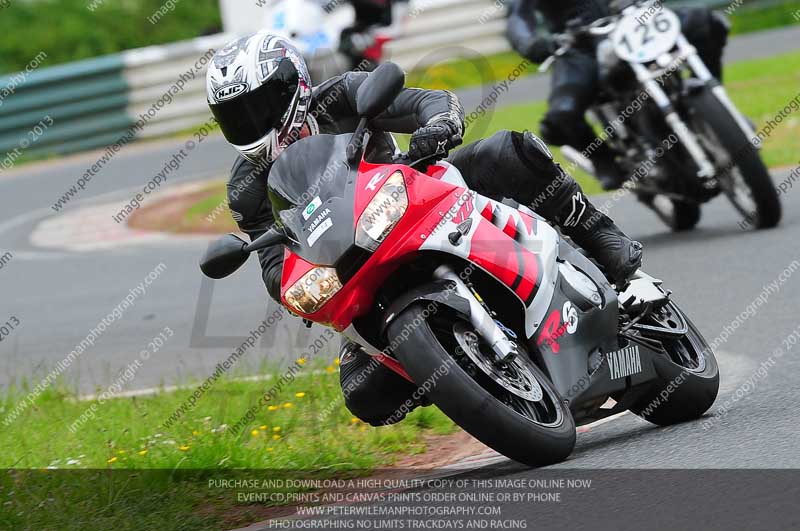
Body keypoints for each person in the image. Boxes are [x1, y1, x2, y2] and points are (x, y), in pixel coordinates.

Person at [206, 33, 643, 426]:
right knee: (366, 395)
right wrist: (291, 281)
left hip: (418, 196)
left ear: (291, 87)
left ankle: (607, 247)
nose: (250, 123)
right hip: (353, 265)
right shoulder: (246, 188)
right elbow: (273, 270)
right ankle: (460, 373)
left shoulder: (339, 96)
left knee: (509, 152)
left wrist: (438, 125)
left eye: (257, 107)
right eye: (234, 116)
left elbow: (425, 102)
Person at [506, 0, 730, 189]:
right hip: (579, 44)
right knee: (559, 120)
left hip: (637, 21)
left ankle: (712, 104)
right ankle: (603, 159)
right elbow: (518, 17)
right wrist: (533, 43)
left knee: (708, 22)